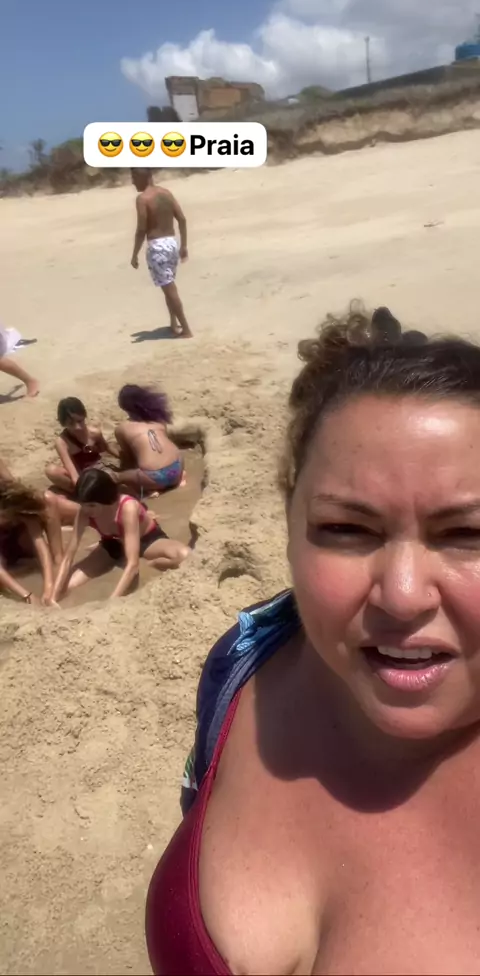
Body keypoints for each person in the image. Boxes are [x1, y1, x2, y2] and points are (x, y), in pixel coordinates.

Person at [146, 301, 480, 976]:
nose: (402, 594)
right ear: (291, 525)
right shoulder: (246, 659)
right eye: (347, 529)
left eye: (468, 533)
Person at [51, 467, 189, 603]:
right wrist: (52, 596)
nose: (86, 510)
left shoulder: (127, 507)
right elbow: (68, 557)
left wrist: (111, 603)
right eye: (83, 504)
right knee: (66, 586)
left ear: (107, 499)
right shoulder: (84, 512)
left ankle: (151, 564)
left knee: (184, 556)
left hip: (146, 540)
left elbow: (133, 564)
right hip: (112, 543)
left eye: (92, 505)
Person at [130, 167, 193, 339]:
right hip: (171, 243)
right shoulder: (166, 193)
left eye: (135, 177)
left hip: (157, 247)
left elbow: (141, 229)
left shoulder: (143, 199)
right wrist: (183, 245)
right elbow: (182, 219)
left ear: (145, 177)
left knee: (170, 289)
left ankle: (186, 329)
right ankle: (173, 323)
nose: (133, 182)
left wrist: (134, 254)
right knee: (168, 286)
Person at [45, 396, 118, 519]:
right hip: (79, 474)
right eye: (71, 424)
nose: (77, 427)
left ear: (84, 416)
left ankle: (85, 497)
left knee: (111, 477)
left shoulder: (94, 433)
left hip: (97, 470)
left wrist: (124, 458)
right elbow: (72, 472)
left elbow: (106, 448)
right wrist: (83, 487)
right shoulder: (62, 442)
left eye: (80, 421)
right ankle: (86, 497)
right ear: (63, 424)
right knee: (51, 471)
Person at [0, 478, 63, 605]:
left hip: (16, 538)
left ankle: (25, 566)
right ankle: (21, 569)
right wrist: (27, 595)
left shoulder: (20, 510)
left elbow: (40, 544)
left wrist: (48, 588)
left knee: (50, 561)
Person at [113, 384, 184, 495]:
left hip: (155, 476)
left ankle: (151, 488)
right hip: (178, 466)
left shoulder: (122, 428)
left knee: (116, 477)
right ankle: (175, 482)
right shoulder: (158, 420)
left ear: (123, 406)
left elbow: (128, 457)